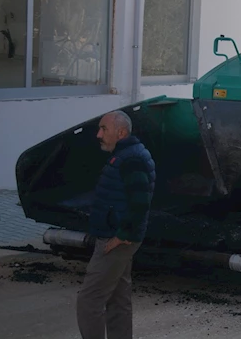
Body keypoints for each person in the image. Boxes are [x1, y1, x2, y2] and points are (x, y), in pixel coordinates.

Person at [77, 111, 156, 339]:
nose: (98, 134)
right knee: (118, 299)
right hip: (118, 236)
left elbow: (140, 202)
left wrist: (122, 235)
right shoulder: (126, 155)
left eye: (104, 129)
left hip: (116, 239)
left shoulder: (131, 159)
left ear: (121, 132)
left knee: (89, 300)